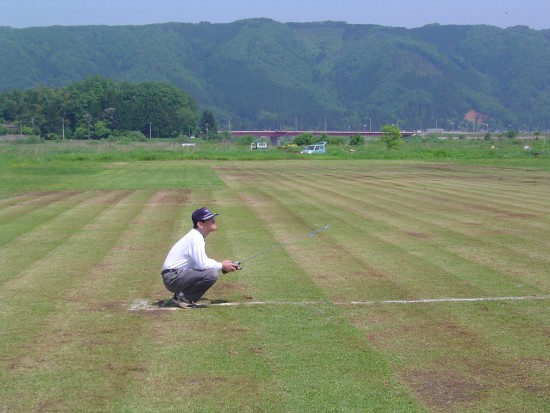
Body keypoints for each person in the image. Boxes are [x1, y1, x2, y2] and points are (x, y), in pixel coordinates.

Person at [161, 207, 239, 308]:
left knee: (210, 271)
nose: (213, 221)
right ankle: (182, 298)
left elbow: (199, 263)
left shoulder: (196, 236)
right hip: (173, 278)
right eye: (209, 219)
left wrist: (223, 266)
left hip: (174, 276)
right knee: (211, 274)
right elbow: (202, 264)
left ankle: (181, 296)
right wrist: (221, 265)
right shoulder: (196, 237)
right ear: (200, 224)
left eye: (213, 218)